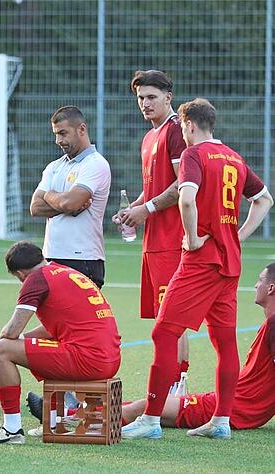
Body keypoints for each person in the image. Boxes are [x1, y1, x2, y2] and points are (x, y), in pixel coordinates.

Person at [123, 98, 273, 440]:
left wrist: (190, 238)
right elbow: (264, 199)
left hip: (201, 263)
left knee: (164, 334)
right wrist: (237, 237)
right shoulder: (233, 157)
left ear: (189, 125)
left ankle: (150, 419)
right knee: (224, 343)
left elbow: (186, 197)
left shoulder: (195, 154)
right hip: (230, 264)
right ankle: (221, 421)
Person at [0, 241, 120, 445]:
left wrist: (3, 338)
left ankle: (11, 429)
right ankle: (50, 423)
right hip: (109, 357)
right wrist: (22, 340)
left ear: (20, 274)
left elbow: (13, 329)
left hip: (87, 359)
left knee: (2, 350)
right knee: (31, 347)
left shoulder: (35, 280)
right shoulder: (63, 270)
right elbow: (55, 329)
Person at [120, 263, 275, 432]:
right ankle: (96, 415)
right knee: (147, 404)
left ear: (271, 288)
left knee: (141, 407)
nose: (255, 285)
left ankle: (92, 423)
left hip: (237, 407)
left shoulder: (274, 324)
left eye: (260, 280)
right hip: (234, 402)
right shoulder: (270, 323)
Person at [115, 70, 190, 391]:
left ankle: (178, 384)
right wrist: (135, 210)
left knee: (173, 318)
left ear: (168, 98)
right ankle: (171, 382)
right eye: (141, 99)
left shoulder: (175, 131)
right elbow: (155, 187)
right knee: (163, 316)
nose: (145, 104)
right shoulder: (150, 136)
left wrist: (146, 209)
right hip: (154, 239)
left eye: (151, 98)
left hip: (173, 237)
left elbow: (182, 184)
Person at [29, 106, 110, 288]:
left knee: (82, 317)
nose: (58, 140)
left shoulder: (95, 164)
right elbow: (35, 207)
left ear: (82, 129)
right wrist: (65, 203)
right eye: (56, 134)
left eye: (63, 133)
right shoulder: (54, 166)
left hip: (83, 258)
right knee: (54, 317)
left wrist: (49, 195)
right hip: (51, 256)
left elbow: (70, 202)